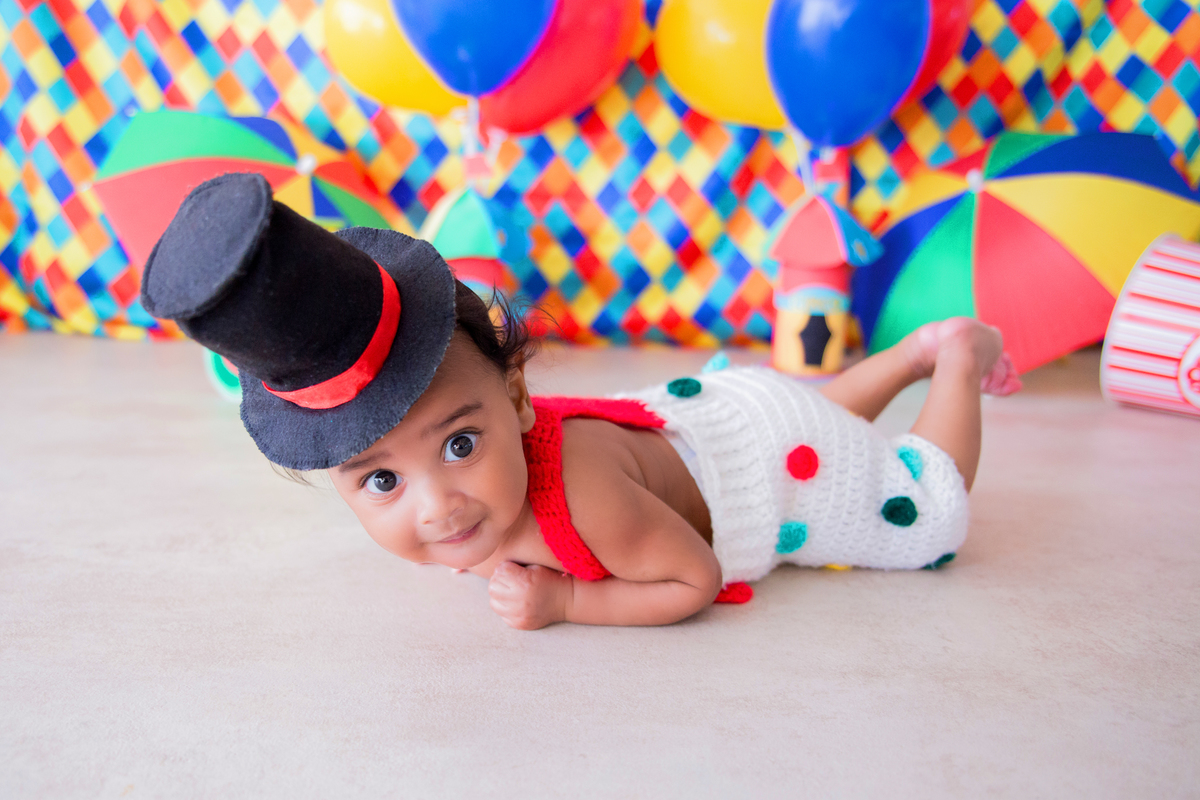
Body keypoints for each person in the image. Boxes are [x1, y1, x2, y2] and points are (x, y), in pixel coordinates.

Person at [142, 173, 1020, 630]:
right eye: (380, 483)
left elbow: (694, 577)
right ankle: (903, 357)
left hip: (763, 467)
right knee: (818, 410)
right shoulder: (491, 478)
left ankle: (951, 358)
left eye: (458, 447)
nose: (439, 506)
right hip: (722, 412)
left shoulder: (585, 504)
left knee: (925, 512)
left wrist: (570, 604)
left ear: (518, 399)